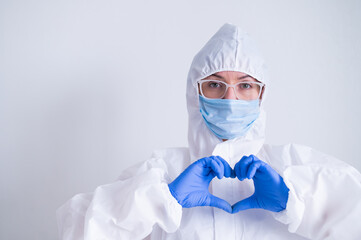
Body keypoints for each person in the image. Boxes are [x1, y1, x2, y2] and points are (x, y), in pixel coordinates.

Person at [57, 23, 361, 240]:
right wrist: (162, 200)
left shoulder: (294, 168)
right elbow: (79, 232)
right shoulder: (161, 174)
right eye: (215, 84)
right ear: (195, 92)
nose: (230, 99)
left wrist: (297, 204)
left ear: (261, 94)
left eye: (245, 85)